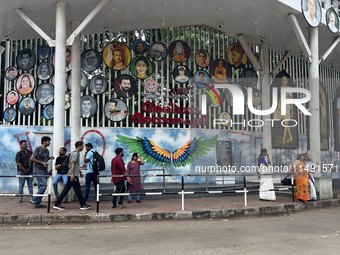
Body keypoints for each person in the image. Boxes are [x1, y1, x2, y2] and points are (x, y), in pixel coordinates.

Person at [53, 141, 91, 211]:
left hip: (72, 174)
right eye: (82, 146)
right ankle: (82, 204)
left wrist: (79, 172)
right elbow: (72, 164)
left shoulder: (76, 153)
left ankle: (57, 203)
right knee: (77, 190)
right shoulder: (75, 153)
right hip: (72, 175)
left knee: (68, 189)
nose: (83, 147)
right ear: (79, 145)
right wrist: (73, 174)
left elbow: (75, 165)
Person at [30, 136, 54, 208]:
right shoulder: (38, 149)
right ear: (44, 142)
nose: (49, 142)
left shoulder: (47, 150)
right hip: (38, 170)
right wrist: (42, 163)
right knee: (44, 185)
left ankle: (37, 203)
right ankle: (34, 199)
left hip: (44, 171)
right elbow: (32, 158)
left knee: (41, 186)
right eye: (48, 141)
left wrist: (50, 158)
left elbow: (45, 160)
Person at [275, 76, 293, 144]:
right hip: (282, 106)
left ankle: (284, 139)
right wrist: (278, 107)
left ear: (287, 81)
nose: (284, 82)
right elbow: (280, 98)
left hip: (287, 107)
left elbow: (291, 99)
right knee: (286, 123)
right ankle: (290, 137)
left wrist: (292, 110)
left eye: (285, 80)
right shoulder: (281, 87)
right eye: (283, 80)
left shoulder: (289, 88)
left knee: (286, 123)